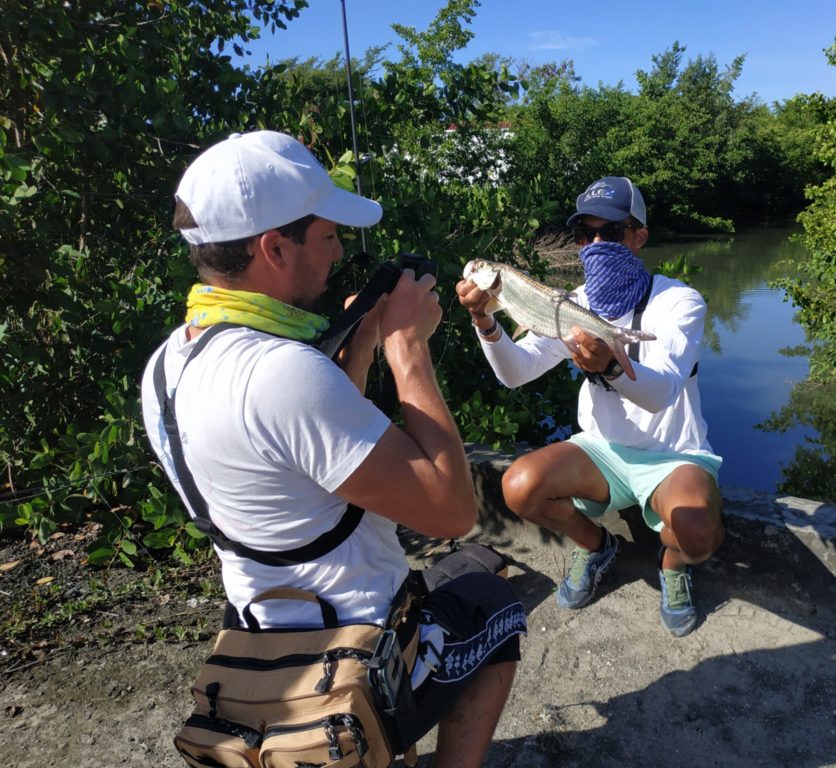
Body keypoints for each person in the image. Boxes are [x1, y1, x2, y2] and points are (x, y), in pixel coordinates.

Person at [141, 130, 524, 767]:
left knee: (470, 578)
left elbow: (307, 457)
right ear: (273, 247)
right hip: (358, 647)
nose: (340, 249)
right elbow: (452, 510)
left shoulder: (168, 365)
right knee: (493, 604)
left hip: (261, 633)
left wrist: (362, 345)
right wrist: (408, 348)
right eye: (327, 235)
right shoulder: (282, 372)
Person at [456, 176, 724, 637]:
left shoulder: (679, 301)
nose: (595, 244)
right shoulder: (570, 303)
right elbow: (516, 373)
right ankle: (595, 545)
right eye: (585, 234)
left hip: (673, 455)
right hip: (602, 451)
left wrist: (612, 368)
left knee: (697, 531)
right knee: (519, 486)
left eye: (611, 232)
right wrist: (485, 321)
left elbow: (661, 394)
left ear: (639, 237)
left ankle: (674, 565)